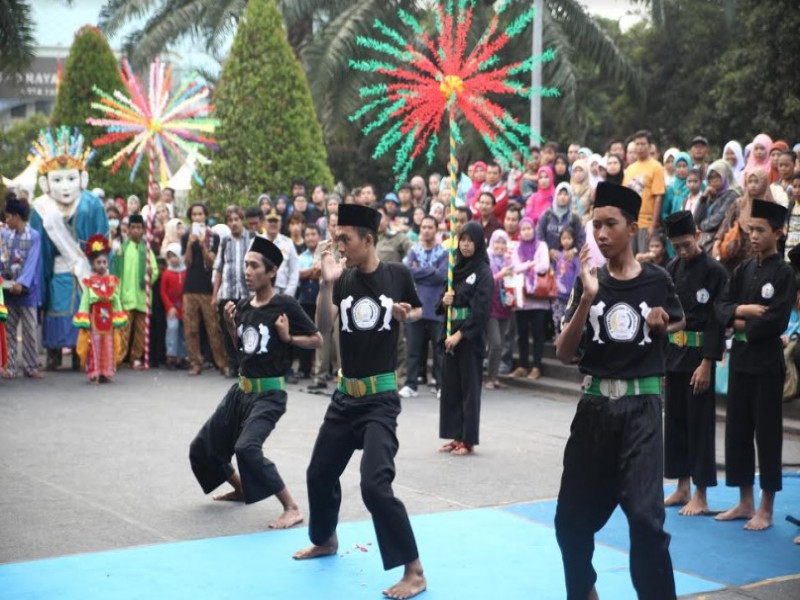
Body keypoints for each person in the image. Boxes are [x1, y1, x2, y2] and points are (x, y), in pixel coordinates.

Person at [554, 181, 684, 600]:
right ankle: (584, 592)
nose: (602, 233)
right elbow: (563, 352)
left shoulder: (658, 279)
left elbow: (677, 318)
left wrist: (664, 324)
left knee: (646, 521)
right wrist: (587, 298)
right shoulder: (589, 281)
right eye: (596, 225)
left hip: (642, 410)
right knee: (569, 522)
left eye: (611, 224)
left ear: (633, 227)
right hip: (593, 411)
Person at [293, 204, 427, 600]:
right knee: (319, 473)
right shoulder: (343, 279)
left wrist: (406, 315)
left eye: (345, 239)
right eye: (337, 239)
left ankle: (414, 570)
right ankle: (325, 539)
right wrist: (326, 284)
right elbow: (321, 328)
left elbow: (418, 308)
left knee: (374, 485)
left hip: (380, 400)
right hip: (343, 398)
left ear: (368, 240)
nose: (339, 246)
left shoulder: (397, 274)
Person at [189, 235, 322, 528]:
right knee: (202, 447)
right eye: (246, 265)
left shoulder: (285, 304)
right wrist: (230, 325)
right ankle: (241, 488)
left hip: (269, 395)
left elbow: (317, 339)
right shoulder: (243, 305)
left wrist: (289, 337)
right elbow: (243, 349)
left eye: (254, 266)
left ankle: (291, 507)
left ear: (272, 271)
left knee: (247, 448)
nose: (247, 272)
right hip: (241, 391)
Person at [714, 199, 795, 531]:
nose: (755, 236)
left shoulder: (784, 273)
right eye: (752, 231)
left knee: (767, 434)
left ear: (778, 233)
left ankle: (766, 507)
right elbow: (721, 307)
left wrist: (738, 321)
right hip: (740, 361)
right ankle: (745, 501)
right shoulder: (744, 269)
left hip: (766, 364)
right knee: (737, 432)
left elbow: (775, 320)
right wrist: (743, 311)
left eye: (761, 230)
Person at [662, 211, 727, 516]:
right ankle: (682, 485)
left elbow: (717, 321)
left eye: (686, 244)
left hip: (700, 357)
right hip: (674, 356)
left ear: (698, 235)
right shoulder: (671, 269)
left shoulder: (715, 272)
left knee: (700, 426)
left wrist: (707, 363)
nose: (682, 251)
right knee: (675, 423)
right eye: (676, 246)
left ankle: (701, 494)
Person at [438, 220, 493, 454]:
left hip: (470, 338)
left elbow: (481, 311)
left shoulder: (483, 272)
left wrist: (460, 335)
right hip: (450, 335)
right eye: (463, 240)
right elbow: (442, 302)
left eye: (471, 241)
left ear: (479, 243)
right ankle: (455, 435)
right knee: (452, 387)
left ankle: (468, 440)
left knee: (470, 389)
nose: (466, 245)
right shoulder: (455, 268)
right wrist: (445, 300)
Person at [73, 235, 128, 383]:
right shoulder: (90, 282)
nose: (102, 265)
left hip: (108, 321)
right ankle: (94, 372)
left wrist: (118, 316)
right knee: (95, 346)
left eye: (104, 262)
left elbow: (115, 300)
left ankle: (105, 372)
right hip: (94, 321)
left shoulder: (112, 281)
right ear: (93, 264)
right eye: (98, 262)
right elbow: (85, 301)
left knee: (108, 345)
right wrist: (84, 318)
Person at [182, 203, 228, 375]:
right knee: (191, 328)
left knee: (213, 328)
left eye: (200, 214)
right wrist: (189, 244)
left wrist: (202, 245)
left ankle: (222, 363)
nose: (197, 217)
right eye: (194, 214)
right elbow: (186, 263)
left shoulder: (213, 237)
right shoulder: (186, 235)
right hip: (190, 288)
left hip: (208, 288)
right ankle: (195, 362)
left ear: (205, 216)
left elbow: (212, 263)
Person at [1, 194, 42, 379]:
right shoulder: (5, 235)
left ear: (17, 217)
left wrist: (22, 282)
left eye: (8, 217)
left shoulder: (34, 236)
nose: (6, 220)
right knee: (9, 330)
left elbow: (32, 262)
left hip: (27, 292)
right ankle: (9, 366)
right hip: (9, 291)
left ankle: (31, 366)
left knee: (29, 330)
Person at [112, 214, 159, 369]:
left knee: (141, 332)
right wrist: (116, 295)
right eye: (133, 227)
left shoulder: (147, 250)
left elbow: (155, 271)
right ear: (128, 229)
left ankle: (135, 358)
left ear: (143, 230)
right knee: (123, 332)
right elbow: (116, 274)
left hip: (142, 297)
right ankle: (117, 359)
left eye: (139, 228)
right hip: (126, 297)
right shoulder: (122, 249)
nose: (136, 231)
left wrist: (150, 274)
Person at [212, 206, 253, 377]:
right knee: (228, 331)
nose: (233, 223)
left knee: (246, 329)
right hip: (228, 293)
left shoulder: (251, 238)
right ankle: (232, 364)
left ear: (242, 220)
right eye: (230, 220)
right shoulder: (224, 241)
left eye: (236, 219)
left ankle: (245, 364)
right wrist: (215, 294)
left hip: (246, 294)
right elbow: (218, 268)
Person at [510, 217, 550, 380]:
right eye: (523, 229)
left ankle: (537, 366)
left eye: (529, 229)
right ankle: (523, 365)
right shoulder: (516, 248)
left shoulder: (541, 246)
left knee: (538, 334)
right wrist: (531, 264)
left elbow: (545, 265)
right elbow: (515, 268)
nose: (526, 232)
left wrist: (525, 267)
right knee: (522, 334)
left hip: (538, 299)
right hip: (522, 299)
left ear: (534, 230)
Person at [713, 168, 771, 269]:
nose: (753, 185)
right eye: (750, 182)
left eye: (756, 181)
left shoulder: (770, 206)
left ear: (763, 183)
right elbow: (726, 225)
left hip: (759, 254)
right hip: (736, 254)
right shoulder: (739, 204)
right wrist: (716, 244)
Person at [623, 130, 666, 254]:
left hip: (646, 223)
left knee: (645, 259)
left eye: (643, 144)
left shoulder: (656, 167)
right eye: (637, 144)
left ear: (650, 146)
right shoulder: (630, 169)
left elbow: (658, 197)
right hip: (630, 223)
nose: (640, 147)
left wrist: (653, 225)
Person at [486, 229, 514, 388]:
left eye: (503, 243)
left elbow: (515, 276)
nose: (500, 246)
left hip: (505, 306)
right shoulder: (487, 259)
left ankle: (494, 377)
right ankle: (490, 378)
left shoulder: (508, 261)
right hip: (490, 307)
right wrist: (501, 275)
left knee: (500, 343)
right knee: (495, 343)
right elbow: (487, 281)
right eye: (497, 242)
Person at [694, 160, 740, 254]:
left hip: (722, 239)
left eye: (717, 176)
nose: (714, 180)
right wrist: (703, 198)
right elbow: (696, 219)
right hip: (707, 239)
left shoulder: (732, 195)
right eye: (711, 178)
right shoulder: (710, 194)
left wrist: (702, 226)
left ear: (725, 176)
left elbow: (720, 218)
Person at [296, 224, 322, 379]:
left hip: (321, 300)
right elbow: (298, 274)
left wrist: (308, 273)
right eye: (307, 235)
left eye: (313, 234)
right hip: (305, 300)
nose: (310, 237)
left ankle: (321, 369)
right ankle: (304, 368)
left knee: (322, 333)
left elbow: (323, 273)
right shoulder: (300, 257)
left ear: (319, 236)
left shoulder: (325, 255)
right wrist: (314, 270)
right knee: (306, 333)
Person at [537, 182, 585, 257]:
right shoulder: (546, 215)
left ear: (570, 197)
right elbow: (539, 236)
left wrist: (574, 250)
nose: (563, 197)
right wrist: (548, 250)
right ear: (556, 196)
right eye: (560, 194)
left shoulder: (573, 217)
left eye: (566, 194)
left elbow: (581, 237)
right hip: (548, 258)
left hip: (569, 259)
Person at [161, 243, 188, 370]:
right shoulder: (167, 273)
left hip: (183, 307)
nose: (172, 259)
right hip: (172, 308)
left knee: (183, 332)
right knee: (172, 329)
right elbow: (163, 292)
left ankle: (181, 357)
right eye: (170, 257)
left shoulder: (185, 272)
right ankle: (171, 356)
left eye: (174, 256)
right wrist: (169, 307)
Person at [262, 208, 299, 297]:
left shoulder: (288, 243)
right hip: (261, 290)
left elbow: (294, 270)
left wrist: (288, 294)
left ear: (280, 223)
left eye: (276, 221)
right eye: (270, 221)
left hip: (282, 291)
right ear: (264, 223)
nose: (273, 224)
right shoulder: (256, 241)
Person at [552, 227, 580, 336]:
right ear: (560, 240)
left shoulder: (575, 257)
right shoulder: (557, 255)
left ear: (573, 239)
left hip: (570, 295)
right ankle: (558, 337)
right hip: (558, 294)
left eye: (569, 238)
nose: (566, 241)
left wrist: (574, 289)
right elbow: (553, 271)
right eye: (563, 238)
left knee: (569, 318)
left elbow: (577, 273)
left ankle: (568, 338)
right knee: (557, 317)